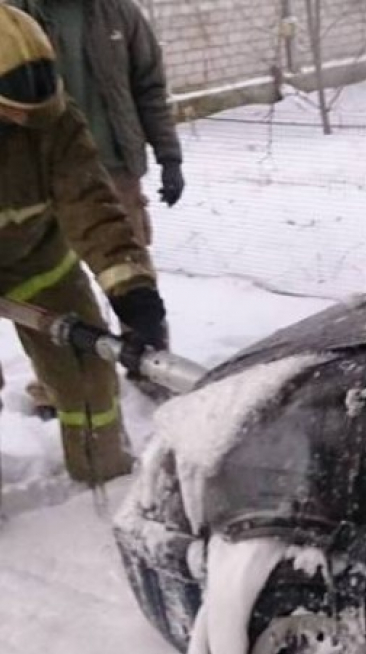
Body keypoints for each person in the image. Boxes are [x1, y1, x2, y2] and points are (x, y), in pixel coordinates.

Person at [0, 4, 168, 482]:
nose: (28, 124)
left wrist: (134, 291)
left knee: (88, 374)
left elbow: (90, 201)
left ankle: (105, 478)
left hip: (39, 261)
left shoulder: (54, 118)